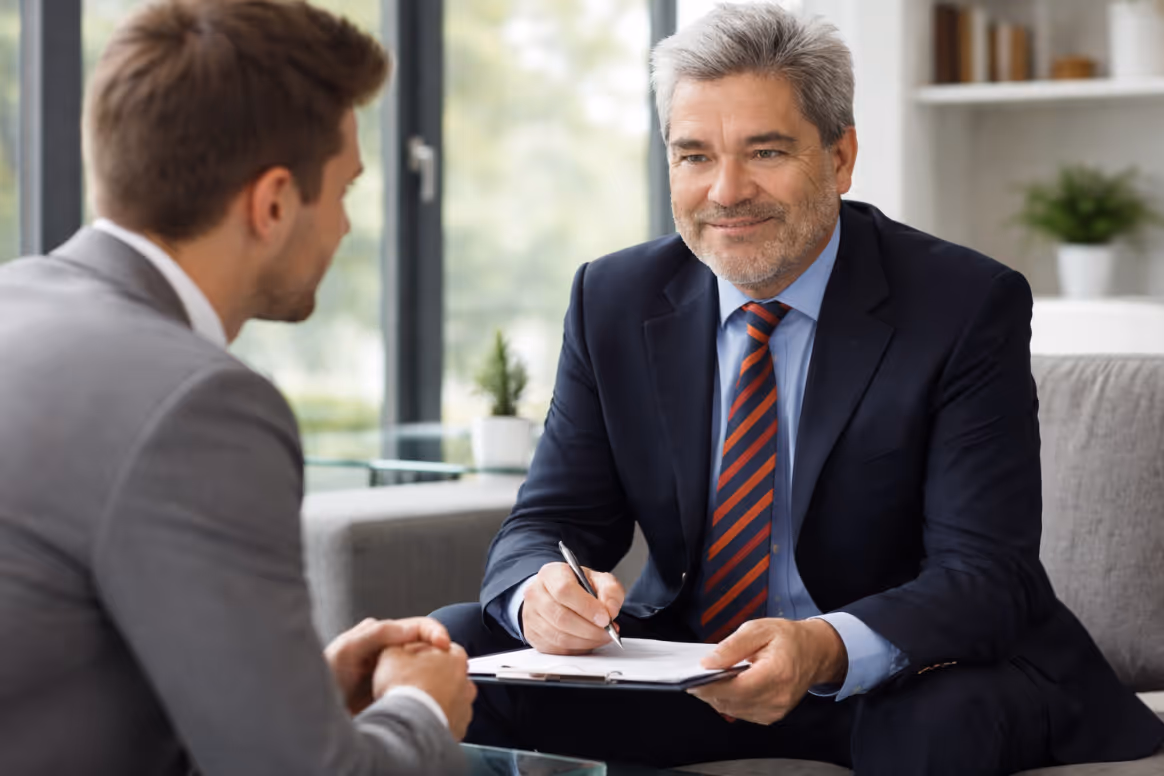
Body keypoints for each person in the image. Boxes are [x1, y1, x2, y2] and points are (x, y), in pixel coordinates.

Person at [433, 4, 1164, 774]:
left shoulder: (963, 304)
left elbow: (984, 574)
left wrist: (820, 648)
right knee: (449, 649)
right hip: (691, 668)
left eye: (766, 151)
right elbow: (550, 521)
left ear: (840, 158)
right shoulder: (613, 298)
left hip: (894, 677)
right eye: (694, 156)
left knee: (943, 724)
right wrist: (541, 595)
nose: (726, 191)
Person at [0, 1, 475, 773]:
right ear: (273, 203)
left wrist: (301, 693)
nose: (346, 227)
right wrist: (422, 708)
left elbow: (62, 679)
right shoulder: (199, 406)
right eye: (345, 191)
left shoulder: (16, 302)